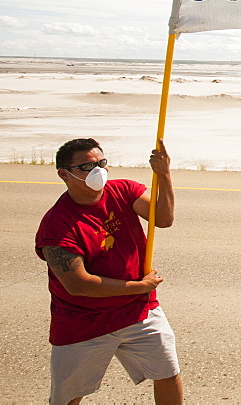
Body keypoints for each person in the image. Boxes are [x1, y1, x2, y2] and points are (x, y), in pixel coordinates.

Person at [36, 137, 182, 405]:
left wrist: (165, 174)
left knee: (167, 372)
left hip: (139, 311)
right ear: (63, 174)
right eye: (86, 167)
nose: (97, 172)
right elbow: (79, 285)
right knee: (68, 396)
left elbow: (163, 219)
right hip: (83, 323)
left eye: (101, 163)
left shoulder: (123, 190)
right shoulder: (57, 226)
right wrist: (140, 286)